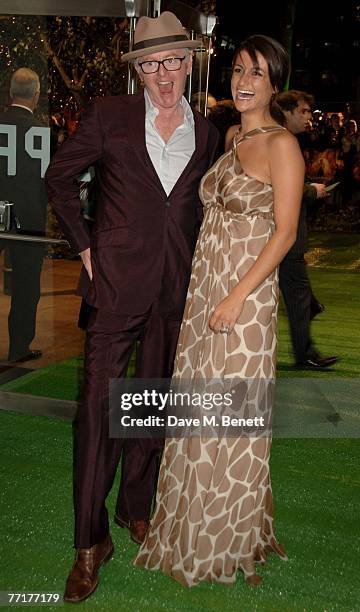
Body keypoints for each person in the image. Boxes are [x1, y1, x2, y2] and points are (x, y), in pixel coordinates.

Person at [45, 11, 218, 603]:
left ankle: (133, 508)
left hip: (176, 293)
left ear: (188, 63)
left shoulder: (211, 131)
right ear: (138, 70)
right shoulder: (108, 117)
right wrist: (86, 245)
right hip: (115, 290)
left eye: (173, 61)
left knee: (150, 405)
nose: (163, 74)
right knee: (98, 414)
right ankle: (88, 544)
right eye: (151, 64)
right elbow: (60, 178)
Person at [134, 35, 304, 587]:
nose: (244, 81)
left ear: (274, 81)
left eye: (256, 72)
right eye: (237, 70)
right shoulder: (231, 136)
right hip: (204, 292)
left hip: (244, 302)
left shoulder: (283, 146)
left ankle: (221, 538)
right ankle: (185, 523)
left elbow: (284, 233)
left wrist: (236, 297)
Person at [275, 90, 338, 369]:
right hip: (282, 237)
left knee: (297, 291)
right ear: (287, 112)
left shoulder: (286, 140)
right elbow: (273, 186)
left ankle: (307, 339)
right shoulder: (279, 140)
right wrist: (311, 191)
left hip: (285, 236)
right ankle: (305, 353)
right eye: (303, 111)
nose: (309, 117)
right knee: (296, 293)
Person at [0, 68, 49, 363]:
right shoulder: (40, 131)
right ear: (36, 94)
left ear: (10, 92)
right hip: (29, 218)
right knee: (26, 286)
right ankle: (19, 347)